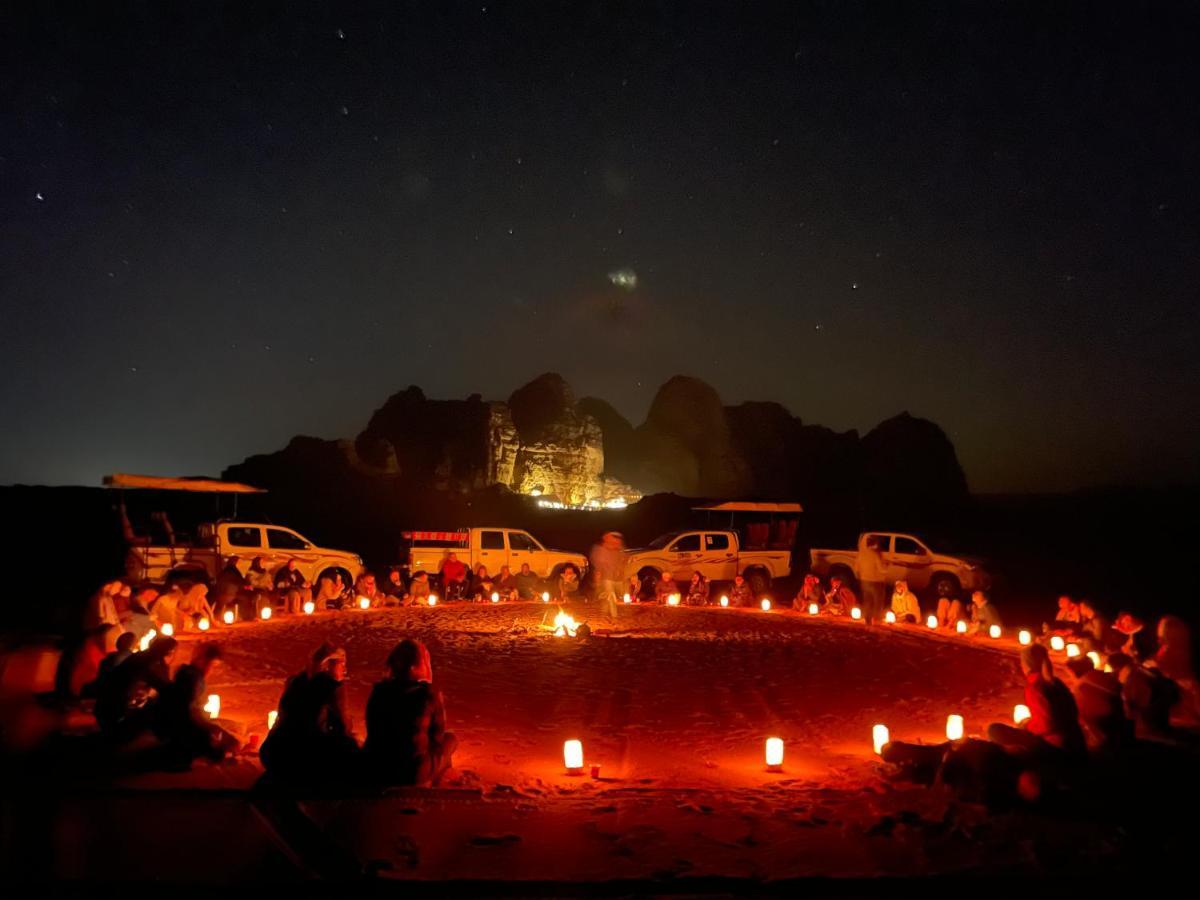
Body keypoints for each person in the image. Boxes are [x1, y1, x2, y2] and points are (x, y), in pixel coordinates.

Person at [365, 639, 457, 786]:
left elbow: (372, 730)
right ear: (417, 666)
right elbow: (437, 739)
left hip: (377, 768)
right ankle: (434, 778)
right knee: (451, 739)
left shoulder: (379, 691)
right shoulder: (429, 694)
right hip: (413, 774)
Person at [260, 643, 358, 780]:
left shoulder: (296, 682)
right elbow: (341, 729)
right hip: (300, 759)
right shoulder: (328, 688)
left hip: (272, 754)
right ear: (328, 666)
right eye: (342, 664)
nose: (344, 670)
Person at [987, 644, 1084, 758]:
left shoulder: (1036, 687)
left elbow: (1047, 726)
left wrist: (1027, 725)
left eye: (1022, 662)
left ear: (1027, 665)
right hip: (1076, 739)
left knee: (995, 730)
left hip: (1057, 748)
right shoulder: (1055, 682)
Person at [155, 643, 238, 766]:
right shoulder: (194, 679)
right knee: (208, 742)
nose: (211, 671)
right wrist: (216, 729)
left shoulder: (185, 671)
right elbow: (192, 714)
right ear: (202, 660)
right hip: (176, 727)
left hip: (167, 722)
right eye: (212, 666)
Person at [95, 636, 177, 742]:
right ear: (169, 652)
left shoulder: (142, 655)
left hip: (108, 704)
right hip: (116, 712)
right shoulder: (151, 663)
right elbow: (168, 691)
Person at [1062, 656, 1131, 751]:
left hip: (1109, 739)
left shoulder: (1081, 690)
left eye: (1068, 673)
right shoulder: (1106, 675)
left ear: (1072, 672)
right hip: (1127, 726)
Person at [589, 531, 626, 615]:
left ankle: (604, 610)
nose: (616, 542)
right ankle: (614, 615)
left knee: (610, 595)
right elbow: (597, 561)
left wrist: (620, 570)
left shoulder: (619, 550)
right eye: (612, 539)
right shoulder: (600, 549)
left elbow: (622, 561)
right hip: (607, 577)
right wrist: (598, 572)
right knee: (610, 595)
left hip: (616, 578)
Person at [856, 537, 888, 624]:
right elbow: (881, 569)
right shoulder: (875, 555)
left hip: (864, 581)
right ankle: (876, 619)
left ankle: (867, 618)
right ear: (875, 544)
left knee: (867, 600)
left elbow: (857, 569)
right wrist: (887, 566)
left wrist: (861, 577)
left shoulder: (861, 554)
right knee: (877, 601)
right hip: (875, 581)